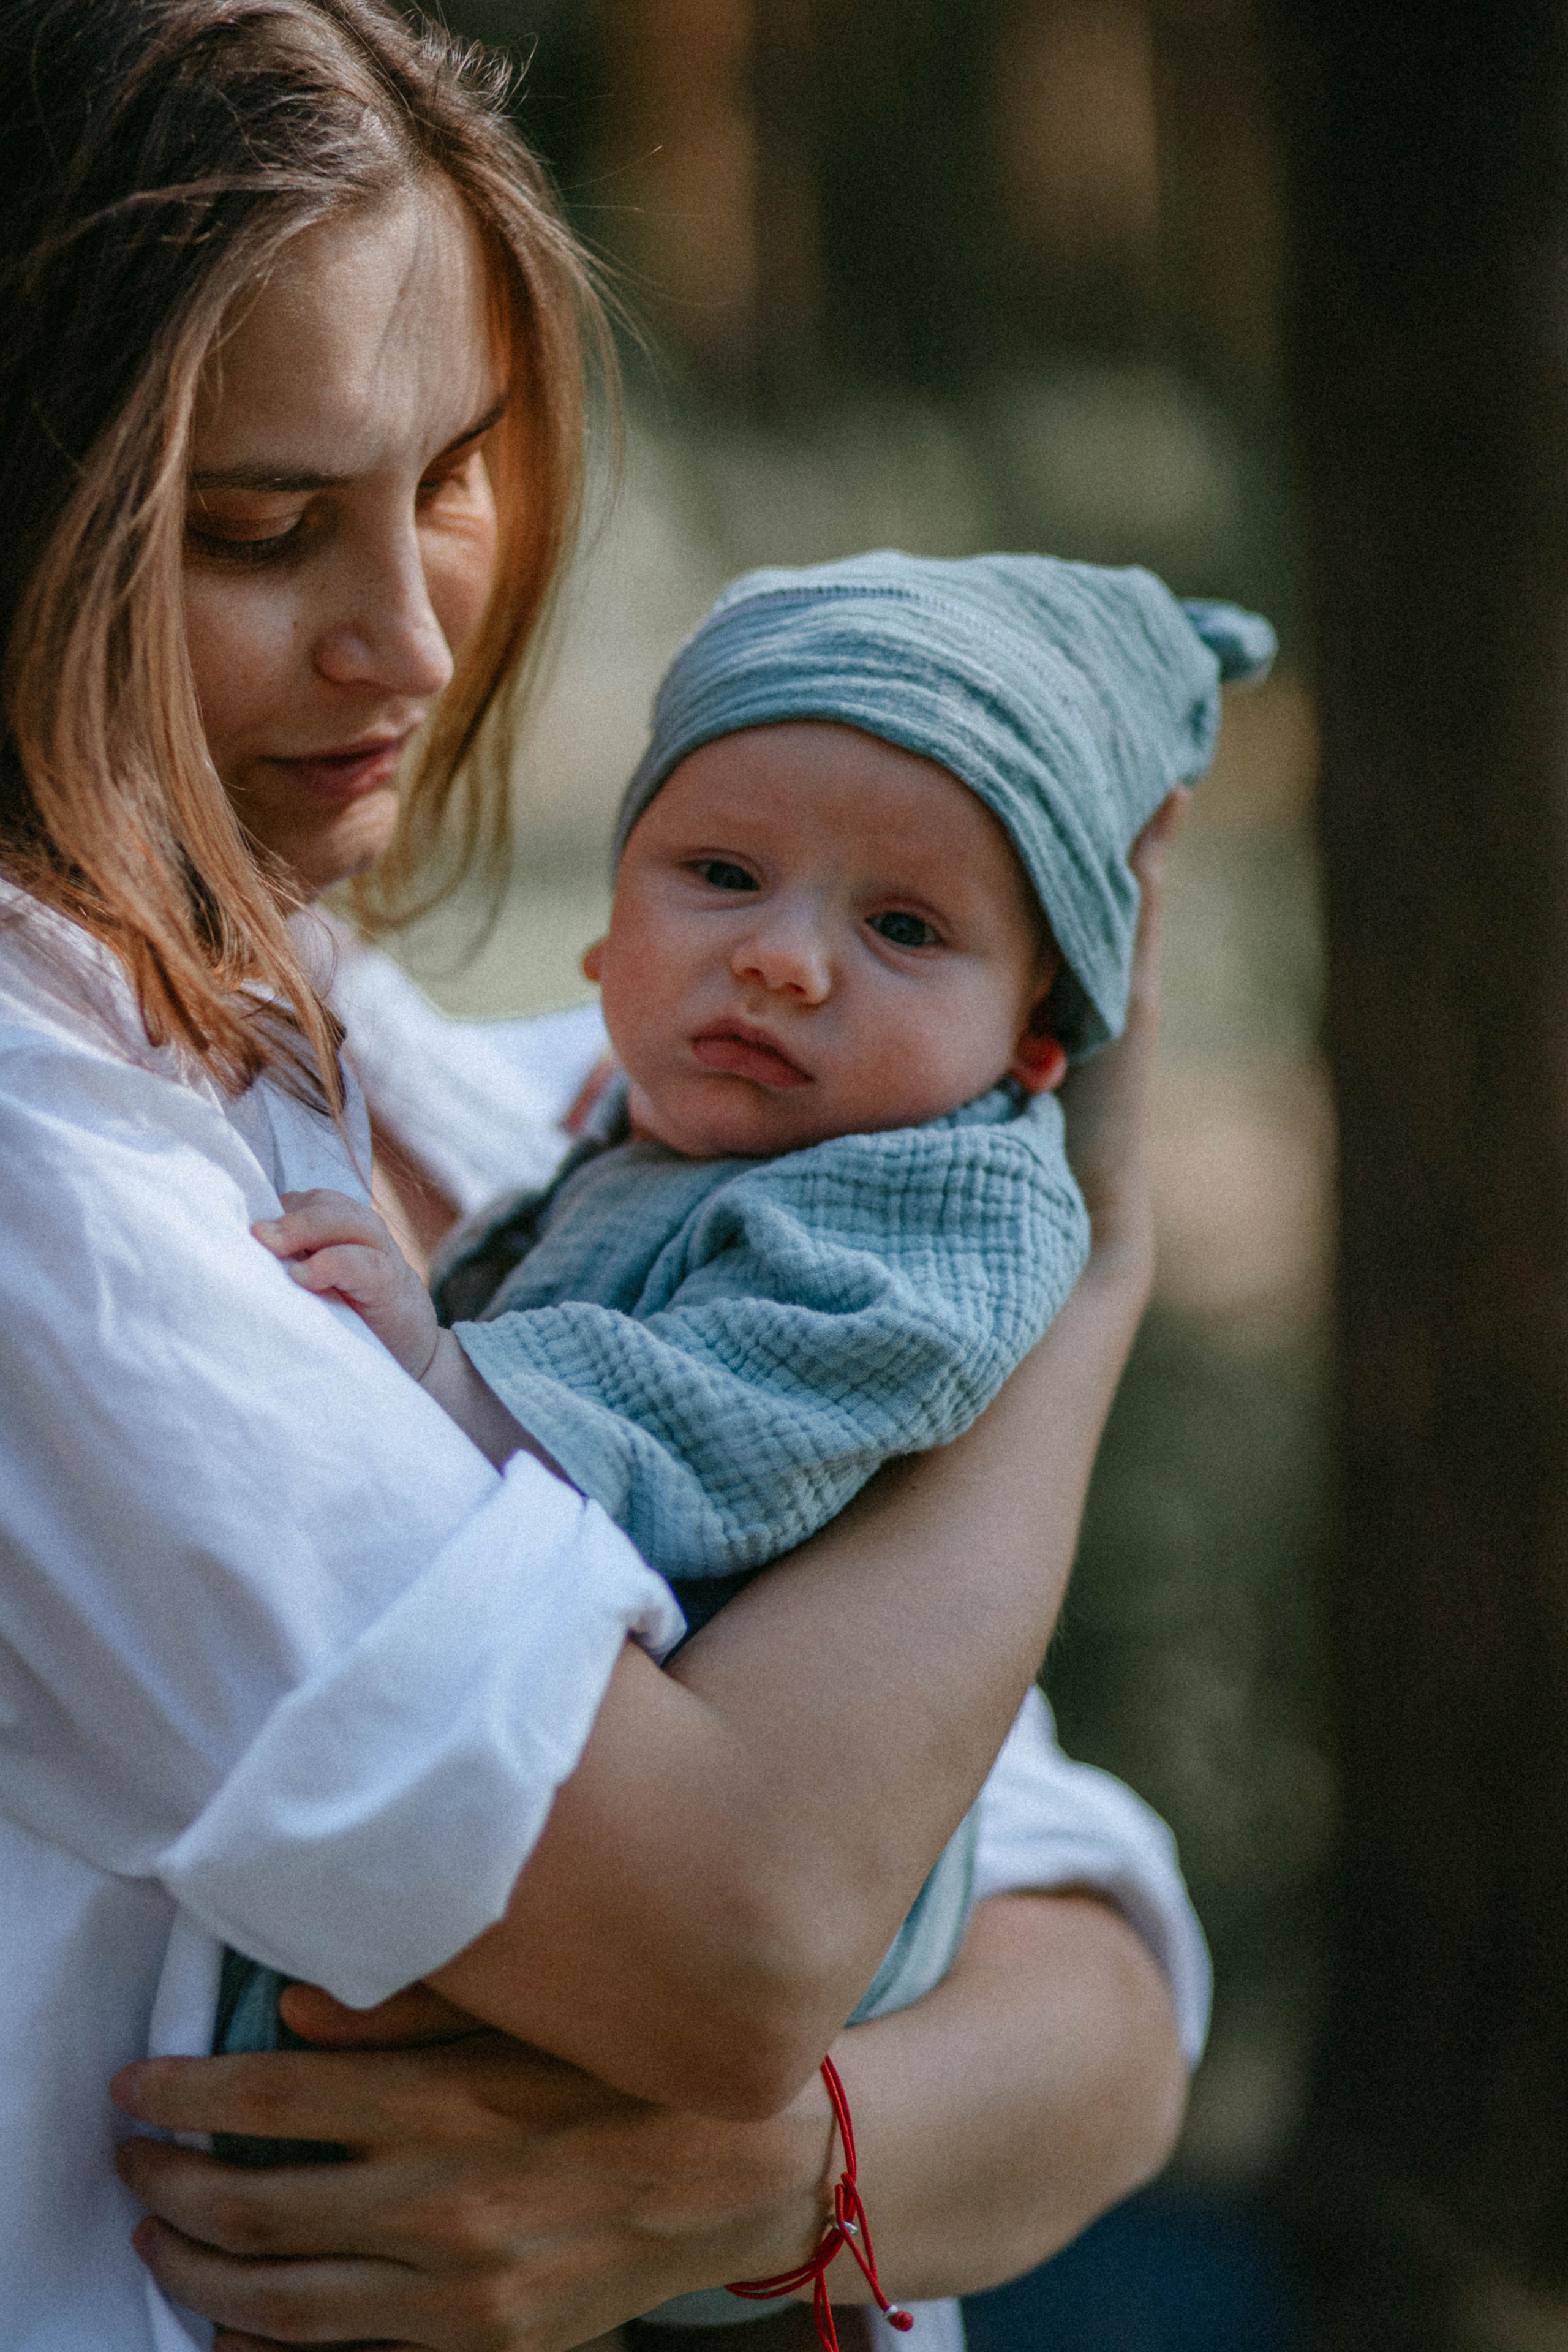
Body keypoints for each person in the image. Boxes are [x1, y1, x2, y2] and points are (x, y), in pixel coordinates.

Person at [0, 2, 1198, 2346]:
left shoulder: (447, 1081)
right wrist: (1091, 1269)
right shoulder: (63, 1182)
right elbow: (752, 1936)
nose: (417, 639)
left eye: (454, 471)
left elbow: (1109, 1983)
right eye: (258, 528)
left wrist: (766, 2192)